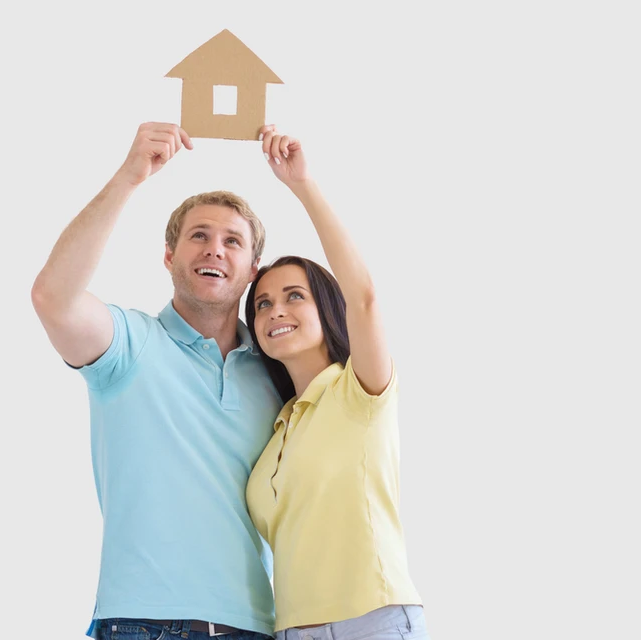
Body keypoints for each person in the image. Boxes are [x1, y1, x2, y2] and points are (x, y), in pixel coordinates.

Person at [31, 122, 282, 640]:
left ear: (253, 268)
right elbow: (54, 298)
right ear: (169, 257)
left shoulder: (276, 372)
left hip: (256, 626)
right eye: (199, 236)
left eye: (232, 241)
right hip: (143, 624)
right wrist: (129, 177)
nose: (215, 249)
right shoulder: (128, 345)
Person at [243, 125, 431, 640]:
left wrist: (302, 185)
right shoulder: (278, 428)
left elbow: (365, 297)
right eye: (262, 304)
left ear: (327, 308)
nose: (275, 310)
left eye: (293, 296)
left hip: (374, 622)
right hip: (291, 631)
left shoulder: (358, 392)